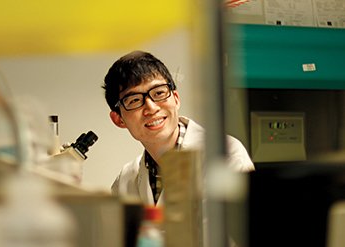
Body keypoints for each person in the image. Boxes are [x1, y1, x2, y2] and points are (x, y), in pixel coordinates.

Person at [102, 50, 254, 206]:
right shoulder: (126, 181)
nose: (151, 108)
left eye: (159, 93)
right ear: (119, 119)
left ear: (175, 99)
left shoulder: (225, 156)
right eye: (134, 100)